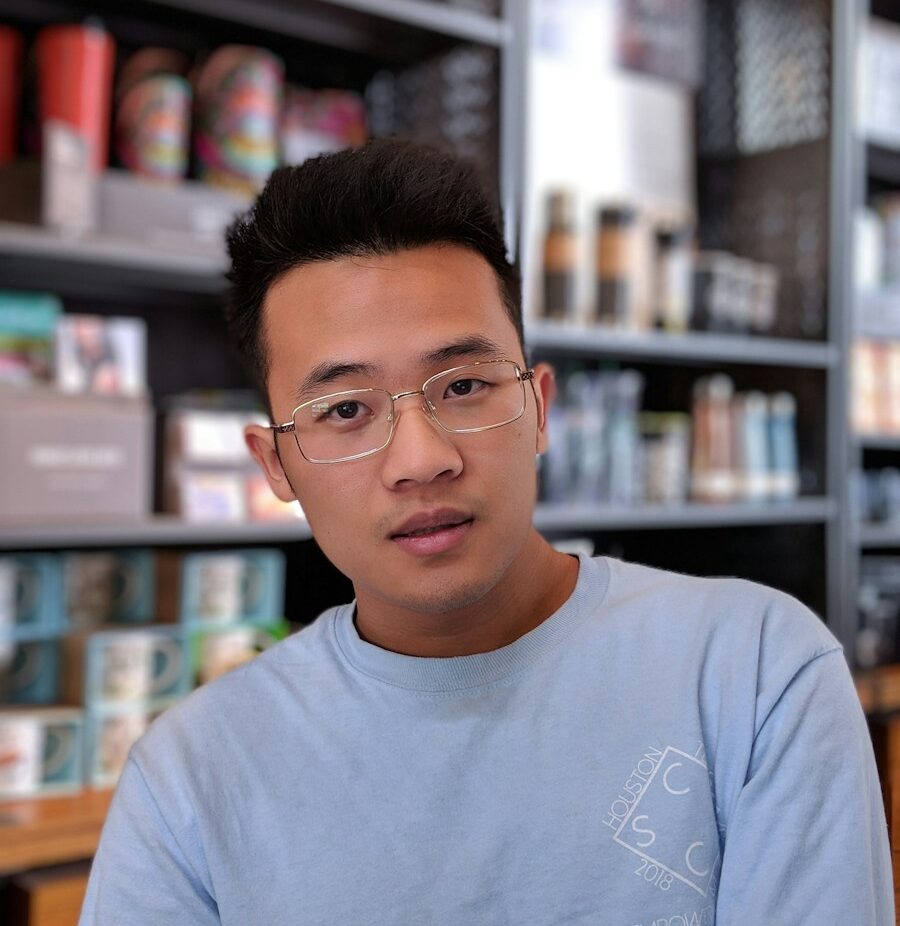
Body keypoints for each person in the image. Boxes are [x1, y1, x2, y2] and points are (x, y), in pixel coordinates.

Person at [79, 139, 893, 925]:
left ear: (539, 408)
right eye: (345, 410)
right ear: (276, 465)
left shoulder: (753, 673)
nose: (422, 459)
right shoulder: (189, 779)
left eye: (464, 385)